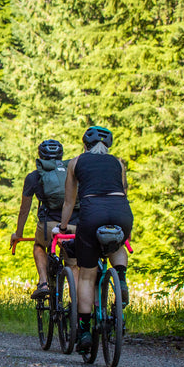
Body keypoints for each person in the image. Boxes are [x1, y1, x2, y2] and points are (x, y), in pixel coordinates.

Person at [56, 125, 133, 352]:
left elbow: (69, 201)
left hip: (91, 213)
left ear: (85, 145)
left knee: (87, 276)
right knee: (117, 241)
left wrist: (62, 226)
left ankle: (85, 331)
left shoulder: (76, 162)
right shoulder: (118, 163)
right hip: (121, 211)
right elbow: (124, 192)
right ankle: (120, 278)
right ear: (107, 145)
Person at [9, 139, 78, 299]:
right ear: (61, 155)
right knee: (72, 263)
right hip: (76, 224)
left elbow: (24, 210)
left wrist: (18, 234)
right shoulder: (73, 173)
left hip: (50, 226)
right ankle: (77, 308)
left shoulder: (34, 177)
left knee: (39, 246)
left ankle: (44, 282)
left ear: (40, 156)